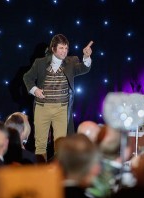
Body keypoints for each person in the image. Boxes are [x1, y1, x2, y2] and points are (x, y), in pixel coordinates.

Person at [23, 34, 93, 162]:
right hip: (42, 107)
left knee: (60, 145)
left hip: (61, 109)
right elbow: (27, 77)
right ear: (53, 48)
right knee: (40, 144)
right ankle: (41, 174)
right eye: (61, 48)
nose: (64, 51)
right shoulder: (40, 63)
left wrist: (87, 56)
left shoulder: (71, 62)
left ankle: (57, 174)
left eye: (66, 48)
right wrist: (35, 90)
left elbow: (84, 68)